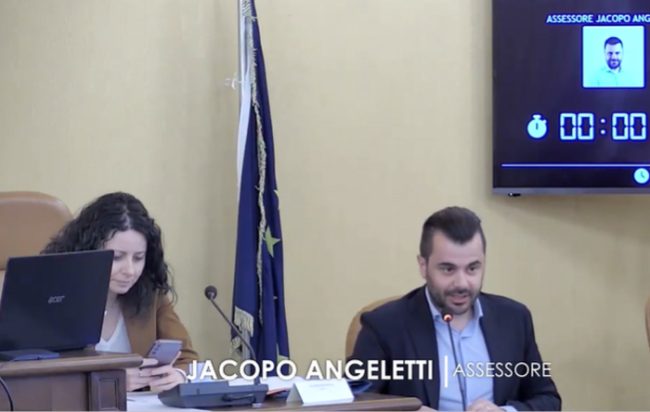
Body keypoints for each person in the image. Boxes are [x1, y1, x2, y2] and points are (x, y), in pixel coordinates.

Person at [350, 207, 561, 411]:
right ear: (423, 266)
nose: (461, 283)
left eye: (472, 268)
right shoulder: (384, 325)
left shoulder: (514, 319)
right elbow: (352, 403)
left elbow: (548, 399)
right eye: (448, 269)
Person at [42, 192, 199, 392]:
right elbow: (37, 376)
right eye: (117, 257)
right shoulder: (55, 298)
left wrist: (179, 375)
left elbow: (187, 358)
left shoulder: (150, 294)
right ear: (89, 251)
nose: (130, 271)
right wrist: (109, 382)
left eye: (138, 258)